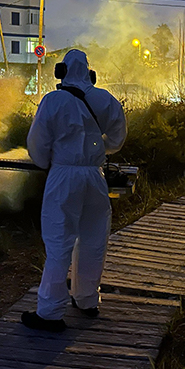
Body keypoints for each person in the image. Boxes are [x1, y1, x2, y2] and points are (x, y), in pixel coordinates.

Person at [22, 49, 127, 332]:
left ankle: (49, 313)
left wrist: (49, 162)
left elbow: (38, 142)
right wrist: (94, 153)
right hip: (95, 176)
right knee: (93, 241)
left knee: (59, 243)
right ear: (90, 73)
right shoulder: (105, 99)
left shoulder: (53, 100)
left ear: (61, 71)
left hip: (64, 176)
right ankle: (87, 300)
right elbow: (117, 138)